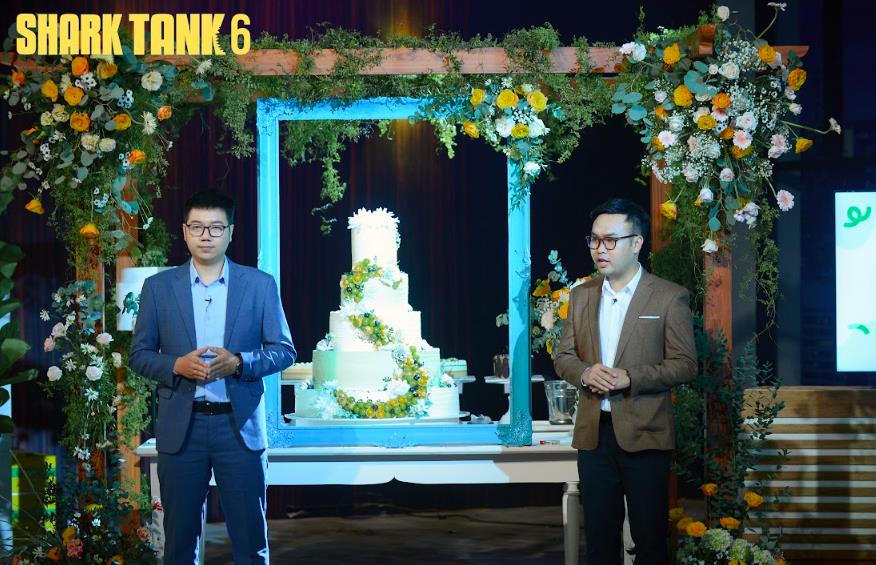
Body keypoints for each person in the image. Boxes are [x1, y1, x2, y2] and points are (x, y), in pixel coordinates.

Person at [130, 190, 296, 564]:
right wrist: (175, 366)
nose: (206, 236)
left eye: (216, 227)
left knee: (250, 543)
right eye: (197, 227)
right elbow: (139, 355)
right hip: (182, 429)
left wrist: (238, 363)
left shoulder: (259, 285)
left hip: (238, 428)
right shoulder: (158, 288)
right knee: (179, 545)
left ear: (230, 232)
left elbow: (284, 351)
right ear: (184, 231)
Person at [553, 197, 697, 564]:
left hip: (646, 434)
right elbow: (563, 357)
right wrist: (585, 372)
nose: (600, 249)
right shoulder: (582, 295)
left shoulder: (668, 297)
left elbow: (685, 365)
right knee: (599, 543)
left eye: (610, 240)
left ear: (637, 243)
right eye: (594, 240)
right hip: (594, 436)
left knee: (650, 543)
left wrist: (630, 378)